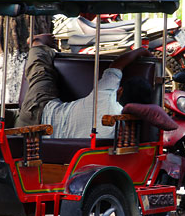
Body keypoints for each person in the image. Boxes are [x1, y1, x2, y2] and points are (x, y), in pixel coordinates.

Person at [17, 33, 153, 138]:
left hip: (37, 112)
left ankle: (38, 44)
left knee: (41, 73)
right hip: (35, 139)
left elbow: (117, 64)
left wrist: (141, 51)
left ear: (120, 91)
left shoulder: (107, 93)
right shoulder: (124, 127)